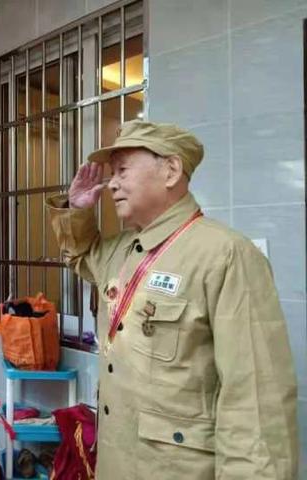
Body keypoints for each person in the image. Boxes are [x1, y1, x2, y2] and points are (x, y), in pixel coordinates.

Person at [46, 121, 298, 479]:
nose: (112, 183)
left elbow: (255, 400)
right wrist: (77, 209)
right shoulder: (123, 250)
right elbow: (82, 255)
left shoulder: (225, 255)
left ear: (171, 170)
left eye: (122, 170)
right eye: (112, 174)